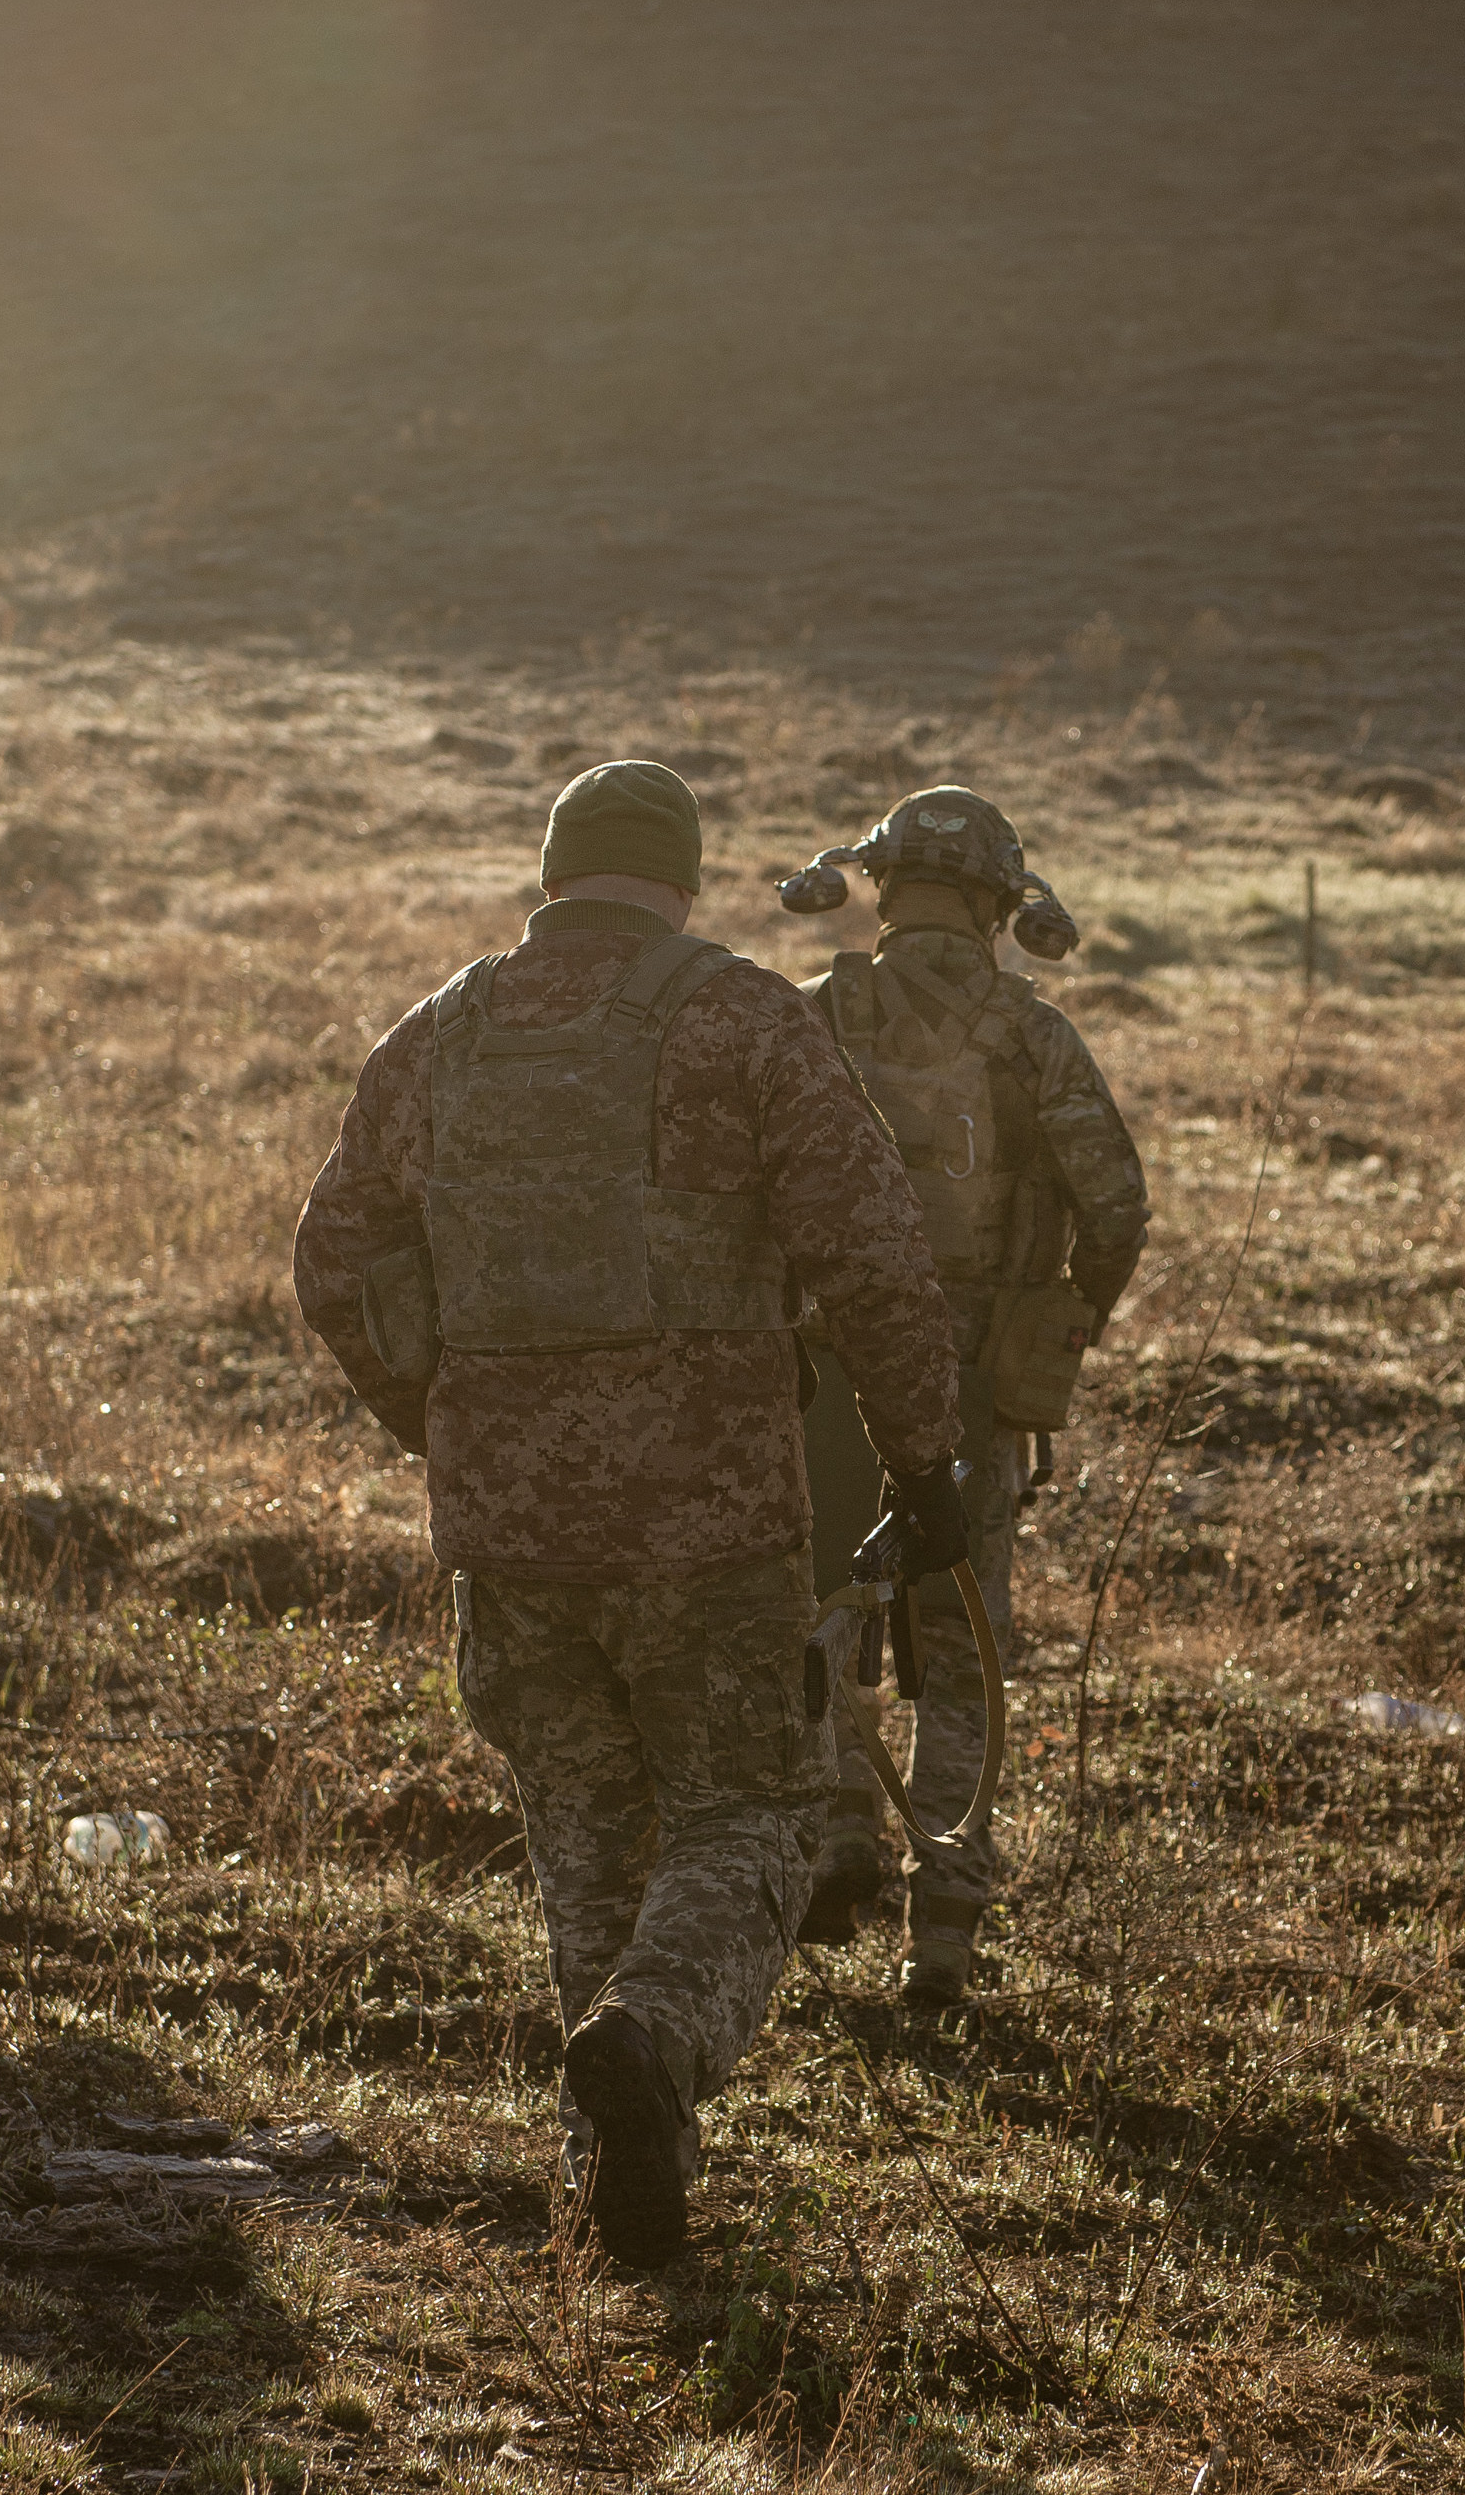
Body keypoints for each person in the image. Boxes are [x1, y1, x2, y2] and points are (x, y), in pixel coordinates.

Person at [292, 759, 973, 2275]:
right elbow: (870, 1249)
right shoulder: (738, 1016)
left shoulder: (441, 1032)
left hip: (510, 1541)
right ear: (680, 876)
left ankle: (616, 2188)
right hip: (712, 1527)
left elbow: (332, 1257)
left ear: (552, 873)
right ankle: (655, 2042)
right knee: (761, 1816)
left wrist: (451, 1420)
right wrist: (926, 1466)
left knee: (589, 1844)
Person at [778, 786, 1150, 2009]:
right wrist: (1061, 1321)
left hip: (822, 1367)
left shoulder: (816, 1013)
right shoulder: (1027, 1032)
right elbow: (1117, 1203)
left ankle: (838, 1824)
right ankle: (941, 1929)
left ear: (881, 888)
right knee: (961, 1645)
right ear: (1001, 902)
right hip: (975, 1382)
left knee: (826, 1601)